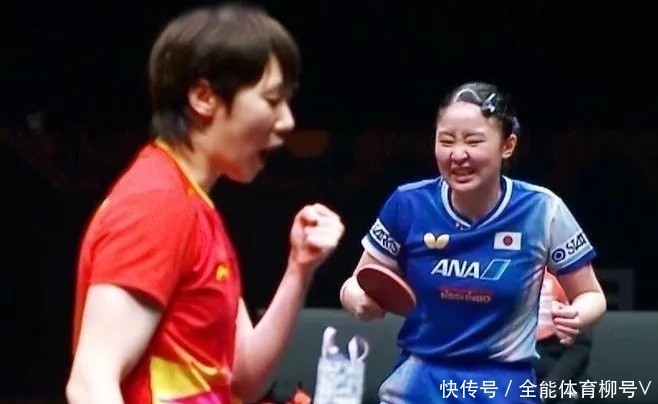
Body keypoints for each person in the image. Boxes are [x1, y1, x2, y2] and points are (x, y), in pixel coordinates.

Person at [66, 4, 345, 404]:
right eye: (271, 99)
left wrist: (299, 270)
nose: (286, 121)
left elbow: (243, 379)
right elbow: (90, 383)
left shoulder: (195, 207)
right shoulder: (155, 204)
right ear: (203, 97)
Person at [339, 82, 606, 403]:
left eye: (474, 141)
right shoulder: (408, 204)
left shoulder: (542, 210)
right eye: (446, 140)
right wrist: (357, 299)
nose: (458, 154)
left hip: (504, 386)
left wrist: (577, 315)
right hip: (419, 382)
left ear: (507, 145)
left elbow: (591, 295)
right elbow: (355, 283)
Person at [535, 270, 592, 404]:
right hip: (510, 371)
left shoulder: (568, 279)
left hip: (556, 369)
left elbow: (581, 347)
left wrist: (547, 391)